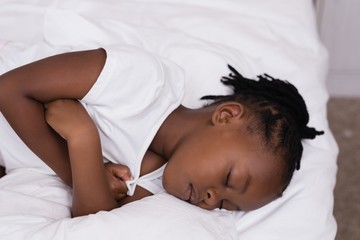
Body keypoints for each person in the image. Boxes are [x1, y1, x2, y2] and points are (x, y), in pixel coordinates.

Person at [0, 45, 323, 217]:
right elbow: (10, 89)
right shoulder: (141, 82)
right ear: (226, 116)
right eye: (229, 180)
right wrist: (81, 174)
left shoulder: (157, 184)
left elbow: (94, 219)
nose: (211, 201)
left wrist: (83, 138)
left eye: (225, 205)